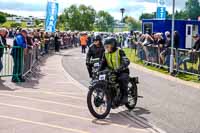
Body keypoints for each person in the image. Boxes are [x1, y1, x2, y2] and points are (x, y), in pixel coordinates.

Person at [99, 37, 130, 104]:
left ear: (113, 46)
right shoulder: (105, 53)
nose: (106, 48)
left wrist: (120, 68)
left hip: (122, 71)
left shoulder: (119, 51)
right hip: (112, 71)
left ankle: (125, 96)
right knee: (105, 81)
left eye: (108, 46)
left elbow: (126, 61)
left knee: (122, 79)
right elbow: (103, 63)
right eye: (105, 46)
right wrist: (98, 71)